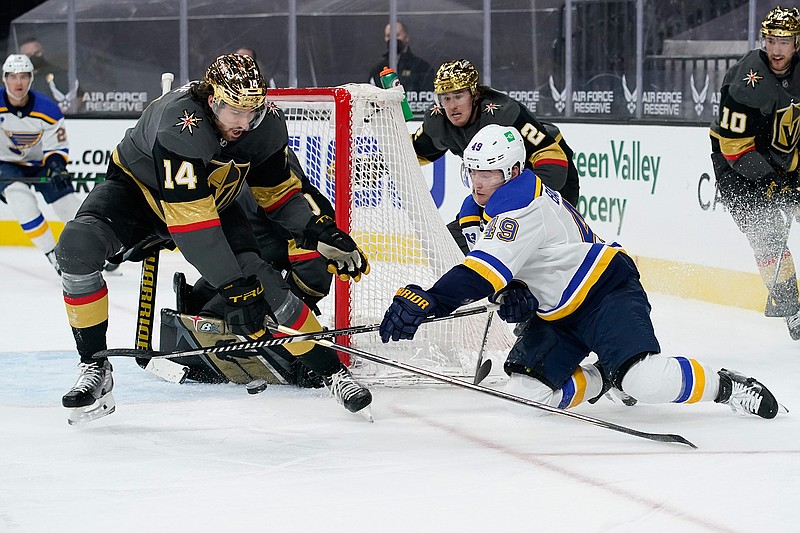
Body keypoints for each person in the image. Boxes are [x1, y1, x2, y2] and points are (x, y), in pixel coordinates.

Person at [380, 124, 782, 420]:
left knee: (643, 381)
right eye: (473, 172)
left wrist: (430, 300)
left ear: (515, 170)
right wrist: (510, 291)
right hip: (558, 313)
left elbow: (481, 271)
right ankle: (603, 379)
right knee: (525, 394)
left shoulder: (523, 204)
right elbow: (499, 270)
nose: (479, 182)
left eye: (490, 173)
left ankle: (726, 386)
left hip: (605, 293)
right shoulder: (477, 209)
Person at [55, 54, 372, 424]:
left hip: (214, 202)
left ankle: (331, 371)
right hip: (137, 196)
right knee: (76, 248)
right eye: (233, 111)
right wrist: (234, 287)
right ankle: (94, 366)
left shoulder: (265, 124)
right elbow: (193, 228)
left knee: (263, 281)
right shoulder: (180, 124)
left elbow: (277, 193)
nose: (243, 123)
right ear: (212, 100)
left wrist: (317, 229)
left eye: (251, 111)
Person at [412, 59, 580, 253]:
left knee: (529, 254)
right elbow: (413, 153)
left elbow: (554, 160)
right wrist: (376, 162)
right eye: (445, 98)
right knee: (447, 245)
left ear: (474, 94)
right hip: (499, 191)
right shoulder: (439, 121)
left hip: (554, 180)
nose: (452, 106)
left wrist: (515, 202)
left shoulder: (503, 113)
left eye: (458, 96)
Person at [710, 5, 800, 340]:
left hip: (782, 155)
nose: (777, 49)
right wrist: (776, 186)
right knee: (767, 232)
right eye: (771, 40)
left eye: (785, 41)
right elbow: (735, 147)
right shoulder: (746, 78)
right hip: (736, 166)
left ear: (797, 43)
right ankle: (792, 309)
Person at [0, 53, 82, 275]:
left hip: (41, 163)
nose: (18, 82)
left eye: (24, 76)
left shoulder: (48, 109)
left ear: (31, 79)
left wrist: (56, 167)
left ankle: (101, 250)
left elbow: (56, 147)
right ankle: (53, 254)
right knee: (20, 200)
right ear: (4, 79)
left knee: (68, 206)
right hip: (7, 165)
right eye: (13, 76)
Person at [368, 21, 435, 93]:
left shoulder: (422, 67)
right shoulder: (378, 69)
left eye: (397, 35)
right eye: (388, 36)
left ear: (406, 37)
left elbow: (428, 96)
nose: (392, 39)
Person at [19, 37, 80, 113]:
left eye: (37, 53)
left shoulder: (58, 73)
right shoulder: (15, 77)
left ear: (43, 51)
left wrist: (64, 113)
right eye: (28, 55)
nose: (33, 57)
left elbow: (79, 97)